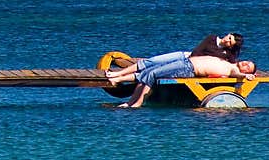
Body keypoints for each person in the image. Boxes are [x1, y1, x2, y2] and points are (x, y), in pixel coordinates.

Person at [118, 55, 257, 108]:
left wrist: (246, 77)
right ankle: (131, 101)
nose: (245, 63)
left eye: (247, 67)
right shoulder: (230, 63)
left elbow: (238, 75)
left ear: (246, 72)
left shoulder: (233, 70)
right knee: (147, 72)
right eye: (247, 61)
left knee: (153, 74)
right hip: (185, 62)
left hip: (187, 68)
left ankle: (138, 102)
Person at [106, 32, 243, 83]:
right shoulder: (212, 39)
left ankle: (119, 79)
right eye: (229, 38)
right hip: (185, 57)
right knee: (152, 62)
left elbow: (231, 67)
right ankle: (118, 73)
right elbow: (197, 51)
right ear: (228, 34)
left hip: (190, 67)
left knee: (155, 70)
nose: (227, 41)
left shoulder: (227, 55)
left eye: (230, 43)